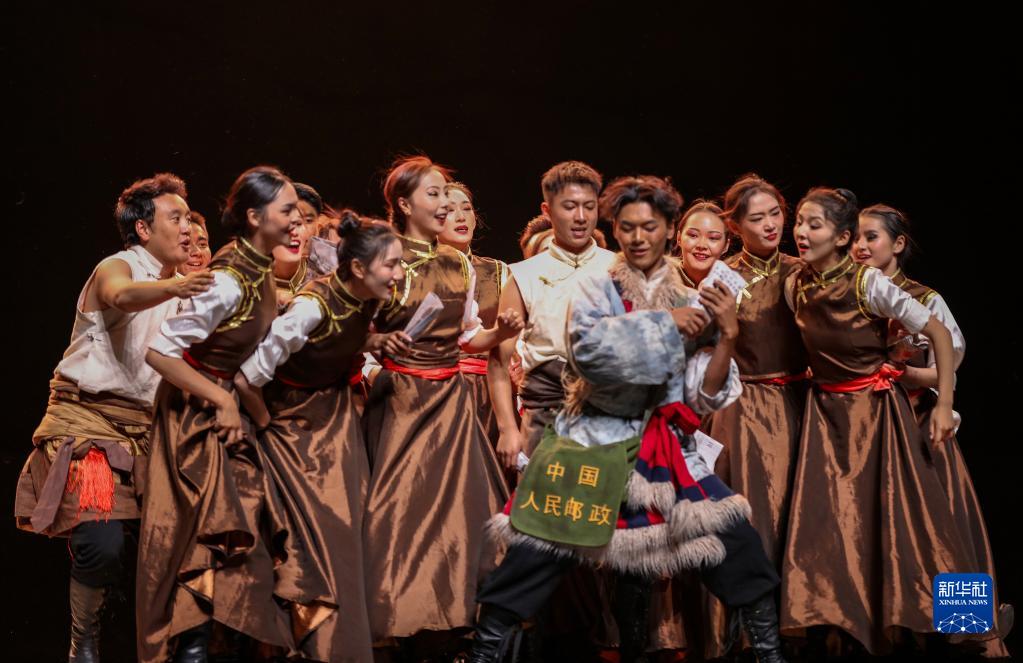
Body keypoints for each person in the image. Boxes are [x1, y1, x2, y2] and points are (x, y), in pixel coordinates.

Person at [471, 174, 785, 663]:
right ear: (615, 230)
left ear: (668, 229)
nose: (639, 237)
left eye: (650, 226)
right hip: (595, 439)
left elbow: (702, 396)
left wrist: (726, 337)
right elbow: (590, 356)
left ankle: (770, 654)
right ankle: (484, 654)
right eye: (628, 227)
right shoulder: (596, 288)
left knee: (738, 545)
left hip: (665, 448)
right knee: (532, 555)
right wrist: (663, 323)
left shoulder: (689, 298)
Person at [780, 187, 1005, 656]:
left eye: (872, 237)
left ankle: (972, 627)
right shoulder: (802, 281)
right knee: (846, 528)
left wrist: (935, 399)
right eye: (799, 222)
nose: (864, 245)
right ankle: (857, 629)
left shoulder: (890, 290)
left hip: (898, 421)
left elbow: (945, 349)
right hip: (836, 419)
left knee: (933, 528)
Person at [15, 172, 210, 663]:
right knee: (102, 544)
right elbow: (123, 295)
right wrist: (178, 285)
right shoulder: (118, 266)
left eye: (189, 218)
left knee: (178, 548)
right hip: (91, 425)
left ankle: (182, 649)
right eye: (175, 218)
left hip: (152, 433)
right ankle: (84, 642)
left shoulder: (186, 290)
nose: (187, 227)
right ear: (143, 229)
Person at [136, 166, 302, 663]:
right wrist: (224, 400)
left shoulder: (259, 268)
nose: (296, 220)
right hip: (194, 418)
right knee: (201, 544)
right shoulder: (228, 279)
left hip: (226, 412)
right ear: (255, 217)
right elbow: (159, 353)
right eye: (287, 210)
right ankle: (189, 650)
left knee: (238, 545)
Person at [361, 155, 521, 658]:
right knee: (400, 516)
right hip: (401, 403)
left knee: (460, 520)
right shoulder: (383, 259)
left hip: (450, 402)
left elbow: (468, 337)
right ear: (404, 204)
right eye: (433, 195)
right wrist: (376, 355)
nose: (445, 205)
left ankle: (455, 625)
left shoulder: (457, 264)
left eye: (447, 196)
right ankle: (401, 623)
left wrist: (499, 332)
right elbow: (354, 331)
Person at [234, 211, 407, 662]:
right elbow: (247, 379)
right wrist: (266, 425)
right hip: (293, 426)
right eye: (391, 264)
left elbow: (337, 340)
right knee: (315, 545)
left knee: (352, 535)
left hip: (334, 420)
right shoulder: (310, 308)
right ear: (358, 268)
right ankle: (313, 647)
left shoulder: (366, 297)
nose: (399, 274)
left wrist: (372, 344)